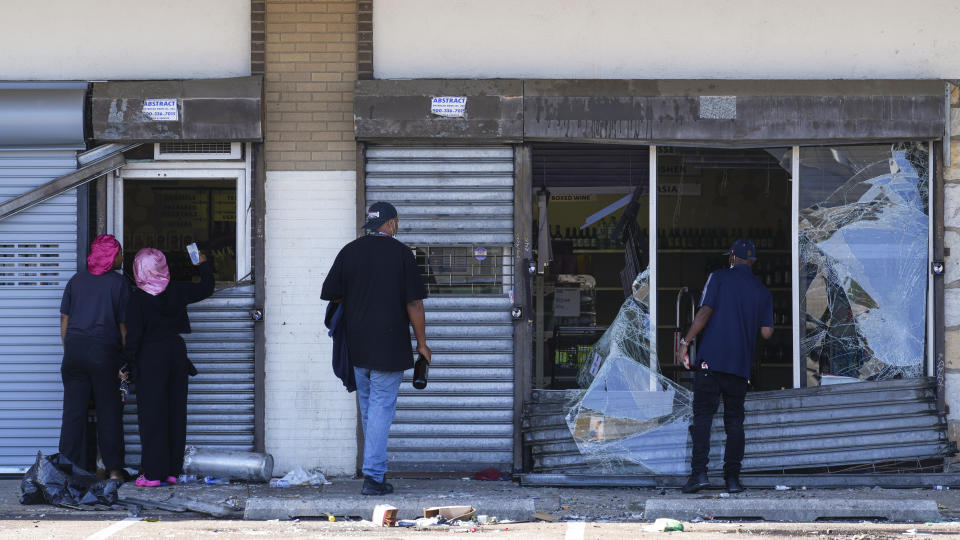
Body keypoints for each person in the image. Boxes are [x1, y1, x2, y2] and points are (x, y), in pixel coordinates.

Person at [321, 201, 430, 496]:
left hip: (357, 347)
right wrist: (422, 344)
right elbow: (414, 304)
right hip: (390, 346)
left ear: (370, 224)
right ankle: (373, 477)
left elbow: (331, 293)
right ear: (392, 223)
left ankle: (374, 472)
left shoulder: (350, 251)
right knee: (381, 410)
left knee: (370, 410)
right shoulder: (402, 254)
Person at [678, 238, 774, 494]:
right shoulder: (762, 291)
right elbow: (766, 333)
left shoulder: (718, 278)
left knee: (703, 418)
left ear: (732, 257)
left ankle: (699, 474)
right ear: (752, 262)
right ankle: (732, 479)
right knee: (734, 422)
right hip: (739, 366)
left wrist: (685, 341)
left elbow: (705, 312)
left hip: (711, 361)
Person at [124, 247, 214, 487]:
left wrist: (127, 366)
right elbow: (207, 287)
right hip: (176, 352)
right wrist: (202, 264)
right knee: (176, 412)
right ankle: (171, 471)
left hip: (150, 356)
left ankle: (153, 474)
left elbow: (133, 337)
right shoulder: (178, 290)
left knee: (152, 416)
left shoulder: (137, 298)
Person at [58, 234, 129, 481]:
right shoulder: (118, 284)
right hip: (104, 353)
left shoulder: (75, 281)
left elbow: (65, 319)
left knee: (73, 413)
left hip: (75, 351)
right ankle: (115, 471)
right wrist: (125, 356)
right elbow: (123, 325)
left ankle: (68, 470)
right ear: (111, 256)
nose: (122, 257)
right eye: (119, 252)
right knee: (109, 411)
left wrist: (70, 350)